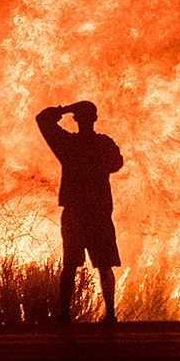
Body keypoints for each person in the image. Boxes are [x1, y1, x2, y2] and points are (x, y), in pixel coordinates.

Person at [36, 100, 124, 322]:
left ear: (75, 119)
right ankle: (110, 315)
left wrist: (66, 109)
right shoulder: (102, 144)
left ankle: (64, 315)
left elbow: (43, 119)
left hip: (78, 212)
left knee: (71, 266)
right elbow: (117, 162)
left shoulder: (67, 145)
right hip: (96, 212)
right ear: (95, 119)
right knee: (103, 266)